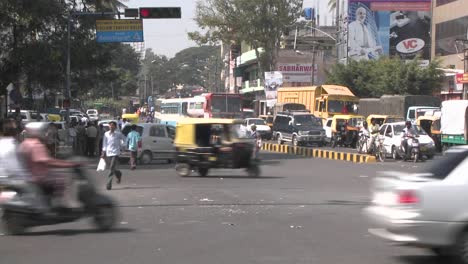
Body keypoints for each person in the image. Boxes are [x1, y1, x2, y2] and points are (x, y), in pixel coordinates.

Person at [19, 122, 81, 208]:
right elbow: (48, 162)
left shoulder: (25, 143)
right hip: (39, 177)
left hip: (31, 175)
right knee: (67, 178)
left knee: (59, 174)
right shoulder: (36, 145)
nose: (46, 133)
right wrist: (68, 164)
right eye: (44, 131)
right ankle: (67, 203)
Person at [101, 121, 125, 190]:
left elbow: (124, 139)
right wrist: (103, 152)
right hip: (108, 153)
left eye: (112, 125)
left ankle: (109, 184)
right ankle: (118, 174)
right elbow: (104, 144)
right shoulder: (106, 134)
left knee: (111, 167)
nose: (111, 126)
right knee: (112, 168)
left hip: (116, 153)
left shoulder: (118, 134)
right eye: (110, 125)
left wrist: (123, 146)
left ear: (115, 127)